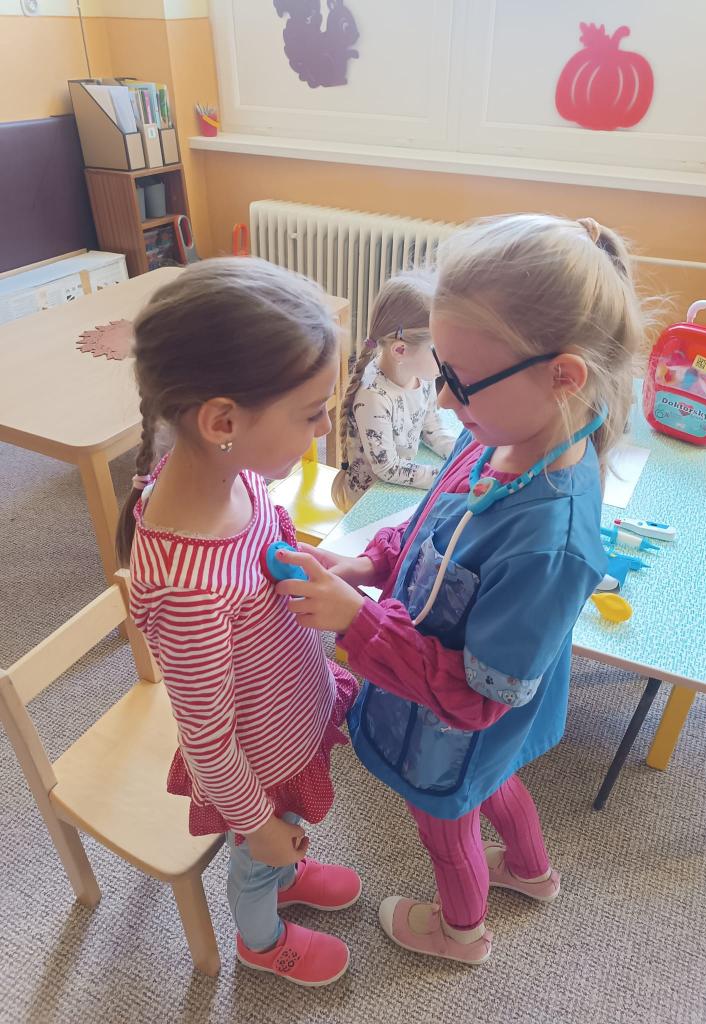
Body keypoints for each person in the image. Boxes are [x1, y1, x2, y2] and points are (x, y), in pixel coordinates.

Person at [275, 214, 646, 964]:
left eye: (461, 382)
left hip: (458, 724)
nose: (443, 401)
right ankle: (531, 872)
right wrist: (371, 567)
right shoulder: (504, 435)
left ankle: (460, 932)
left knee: (448, 819)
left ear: (564, 376)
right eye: (441, 372)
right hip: (477, 725)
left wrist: (357, 623)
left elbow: (477, 703)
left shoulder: (550, 542)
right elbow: (432, 530)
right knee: (494, 781)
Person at [115, 258, 360, 987]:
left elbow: (264, 550)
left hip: (287, 713)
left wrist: (302, 567)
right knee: (257, 862)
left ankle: (286, 869)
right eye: (311, 414)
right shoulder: (189, 590)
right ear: (222, 422)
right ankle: (261, 937)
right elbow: (208, 740)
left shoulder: (233, 473)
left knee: (283, 841)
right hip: (257, 763)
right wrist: (258, 826)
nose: (324, 429)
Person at [332, 270, 456, 511]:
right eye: (439, 348)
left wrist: (458, 454)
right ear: (400, 351)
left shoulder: (422, 376)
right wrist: (443, 477)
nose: (447, 358)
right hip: (370, 502)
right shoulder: (373, 397)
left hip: (400, 486)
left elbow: (431, 427)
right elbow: (387, 468)